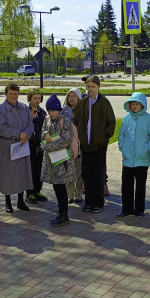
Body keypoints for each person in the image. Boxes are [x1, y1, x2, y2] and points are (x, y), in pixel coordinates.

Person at [72, 75, 116, 213]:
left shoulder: (104, 102)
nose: (90, 89)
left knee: (98, 175)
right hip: (85, 146)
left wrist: (104, 138)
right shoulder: (83, 102)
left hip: (99, 146)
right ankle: (89, 202)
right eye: (88, 86)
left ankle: (98, 202)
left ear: (98, 87)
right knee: (86, 174)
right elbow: (75, 119)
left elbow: (111, 122)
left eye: (93, 87)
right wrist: (79, 136)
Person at [0, 82, 34, 213]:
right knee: (8, 174)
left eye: (15, 94)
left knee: (22, 173)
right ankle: (7, 201)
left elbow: (30, 124)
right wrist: (18, 134)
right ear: (6, 94)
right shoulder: (0, 110)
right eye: (10, 94)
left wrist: (26, 134)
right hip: (7, 147)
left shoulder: (24, 108)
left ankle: (20, 201)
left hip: (22, 145)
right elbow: (1, 129)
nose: (13, 96)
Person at [117, 92, 150, 218]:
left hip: (142, 158)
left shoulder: (149, 119)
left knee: (140, 185)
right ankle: (126, 209)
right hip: (128, 158)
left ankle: (139, 209)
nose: (134, 106)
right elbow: (121, 134)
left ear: (142, 105)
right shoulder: (126, 118)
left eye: (137, 104)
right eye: (132, 104)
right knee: (126, 185)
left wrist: (147, 148)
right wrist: (122, 147)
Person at [40, 94, 77, 227]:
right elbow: (43, 131)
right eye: (49, 111)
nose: (51, 113)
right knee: (57, 186)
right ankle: (61, 210)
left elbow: (66, 139)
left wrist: (47, 147)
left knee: (61, 186)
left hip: (62, 160)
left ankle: (64, 213)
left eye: (54, 110)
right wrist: (45, 134)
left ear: (59, 109)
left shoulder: (65, 119)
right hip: (52, 160)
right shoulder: (48, 119)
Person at [25, 89, 48, 203]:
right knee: (30, 169)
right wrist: (31, 119)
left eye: (39, 98)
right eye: (35, 98)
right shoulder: (25, 111)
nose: (37, 100)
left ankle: (38, 190)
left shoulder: (42, 112)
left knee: (40, 168)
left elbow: (45, 126)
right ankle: (29, 193)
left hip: (40, 144)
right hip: (29, 144)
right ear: (30, 98)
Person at [64, 87, 84, 204]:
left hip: (79, 145)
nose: (71, 99)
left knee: (79, 171)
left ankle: (79, 194)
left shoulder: (83, 110)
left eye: (74, 96)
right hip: (67, 146)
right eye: (69, 96)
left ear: (79, 97)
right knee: (68, 172)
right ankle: (69, 195)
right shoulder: (64, 111)